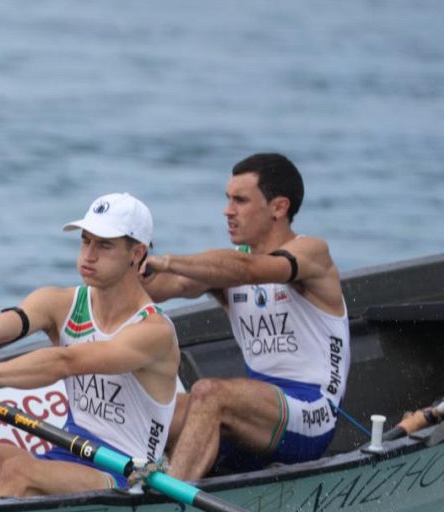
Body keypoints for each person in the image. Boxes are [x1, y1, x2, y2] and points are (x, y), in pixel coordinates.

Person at [0, 193, 179, 503]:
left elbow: (64, 362)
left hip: (126, 474)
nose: (88, 255)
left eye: (104, 245)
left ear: (137, 253)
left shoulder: (153, 332)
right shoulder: (59, 303)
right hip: (67, 450)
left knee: (18, 472)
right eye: (85, 241)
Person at [143, 153, 349, 480]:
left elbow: (250, 271)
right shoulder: (224, 267)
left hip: (313, 414)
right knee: (158, 411)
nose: (228, 210)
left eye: (240, 200)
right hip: (258, 419)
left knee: (208, 393)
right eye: (227, 199)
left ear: (279, 208)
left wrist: (167, 260)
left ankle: (167, 505)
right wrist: (122, 264)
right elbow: (156, 290)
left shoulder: (312, 254)